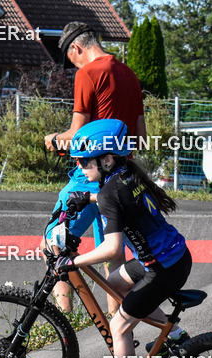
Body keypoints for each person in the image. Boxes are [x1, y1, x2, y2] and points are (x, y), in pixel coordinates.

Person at [54, 119, 191, 358]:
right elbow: (120, 199)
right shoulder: (127, 173)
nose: (80, 167)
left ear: (106, 160)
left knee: (119, 326)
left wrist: (73, 261)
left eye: (84, 161)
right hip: (172, 256)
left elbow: (113, 250)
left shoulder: (109, 193)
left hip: (161, 268)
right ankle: (176, 336)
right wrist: (87, 198)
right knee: (115, 284)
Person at [42, 22, 148, 313]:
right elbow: (141, 137)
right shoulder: (130, 75)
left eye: (71, 58)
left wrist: (52, 140)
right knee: (113, 255)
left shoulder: (88, 73)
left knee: (54, 240)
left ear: (76, 48)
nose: (73, 64)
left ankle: (62, 317)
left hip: (90, 175)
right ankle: (117, 326)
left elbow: (76, 134)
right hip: (122, 172)